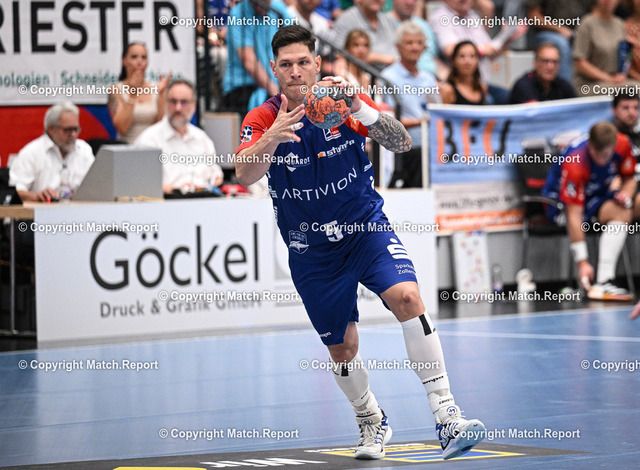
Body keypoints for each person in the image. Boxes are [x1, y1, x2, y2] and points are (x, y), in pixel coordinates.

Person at [235, 24, 485, 461]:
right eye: (286, 65)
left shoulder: (340, 104)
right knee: (343, 348)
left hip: (365, 228)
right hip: (311, 249)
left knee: (408, 297)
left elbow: (402, 142)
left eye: (303, 62)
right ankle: (371, 419)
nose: (296, 72)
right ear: (274, 69)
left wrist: (360, 107)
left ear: (317, 63)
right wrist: (272, 135)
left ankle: (447, 416)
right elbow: (243, 174)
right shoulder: (261, 118)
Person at [541, 122, 636, 301]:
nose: (600, 159)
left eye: (605, 155)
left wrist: (625, 194)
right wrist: (583, 263)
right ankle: (604, 280)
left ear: (614, 146)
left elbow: (630, 178)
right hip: (561, 205)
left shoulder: (622, 144)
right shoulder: (575, 162)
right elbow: (573, 215)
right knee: (621, 212)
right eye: (596, 154)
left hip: (596, 195)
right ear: (590, 145)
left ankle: (604, 282)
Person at [135, 79, 223, 194]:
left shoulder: (202, 139)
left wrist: (202, 187)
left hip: (202, 199)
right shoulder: (149, 140)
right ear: (166, 103)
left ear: (194, 105)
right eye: (173, 101)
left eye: (184, 102)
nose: (178, 108)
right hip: (167, 201)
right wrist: (179, 191)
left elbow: (217, 177)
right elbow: (142, 184)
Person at [381, 21, 440, 187]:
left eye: (419, 42)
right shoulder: (388, 77)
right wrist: (422, 121)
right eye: (409, 43)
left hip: (431, 144)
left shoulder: (428, 78)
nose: (415, 47)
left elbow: (438, 111)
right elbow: (389, 118)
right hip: (405, 148)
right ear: (398, 47)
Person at [9, 102, 94, 202]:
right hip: (41, 210)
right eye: (68, 130)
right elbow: (14, 192)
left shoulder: (84, 150)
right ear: (51, 129)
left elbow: (98, 185)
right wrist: (37, 197)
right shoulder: (31, 153)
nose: (73, 134)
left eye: (76, 129)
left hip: (80, 210)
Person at [221, 0, 292, 114]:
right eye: (256, 3)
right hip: (242, 88)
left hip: (275, 83)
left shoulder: (278, 8)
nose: (260, 5)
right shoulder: (238, 14)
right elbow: (249, 61)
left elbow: (293, 42)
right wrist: (276, 94)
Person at [573, 0, 639, 96]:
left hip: (615, 81)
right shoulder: (586, 24)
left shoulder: (619, 24)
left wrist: (631, 47)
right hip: (590, 84)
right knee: (634, 90)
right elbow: (580, 63)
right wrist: (608, 78)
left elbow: (624, 57)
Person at [108, 42, 170, 143]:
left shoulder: (157, 88)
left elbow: (163, 126)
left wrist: (161, 95)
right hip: (126, 147)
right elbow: (122, 127)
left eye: (144, 57)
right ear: (124, 61)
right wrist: (133, 95)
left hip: (152, 146)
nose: (139, 61)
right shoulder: (116, 90)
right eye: (134, 57)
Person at [526, 0, 592, 82]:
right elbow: (534, 15)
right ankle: (566, 88)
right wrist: (558, 28)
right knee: (562, 44)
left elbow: (595, 11)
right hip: (547, 32)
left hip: (579, 31)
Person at [330, 0, 398, 70]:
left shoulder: (389, 20)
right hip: (363, 73)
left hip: (395, 71)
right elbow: (339, 55)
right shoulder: (346, 20)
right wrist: (381, 58)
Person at [385, 0, 441, 77]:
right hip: (400, 78)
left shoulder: (423, 25)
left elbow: (434, 57)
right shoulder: (384, 24)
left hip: (430, 78)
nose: (410, 2)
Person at [509, 43, 577, 104]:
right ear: (535, 62)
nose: (550, 67)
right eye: (545, 61)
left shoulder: (563, 85)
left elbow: (578, 108)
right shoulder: (523, 86)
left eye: (555, 62)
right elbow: (536, 112)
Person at [439, 41, 488, 105]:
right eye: (462, 56)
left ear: (478, 60)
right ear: (453, 61)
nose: (467, 61)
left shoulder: (482, 88)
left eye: (472, 56)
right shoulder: (448, 90)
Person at [612, 91, 640, 159]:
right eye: (626, 108)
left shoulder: (638, 136)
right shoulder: (608, 140)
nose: (632, 113)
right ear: (614, 110)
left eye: (635, 108)